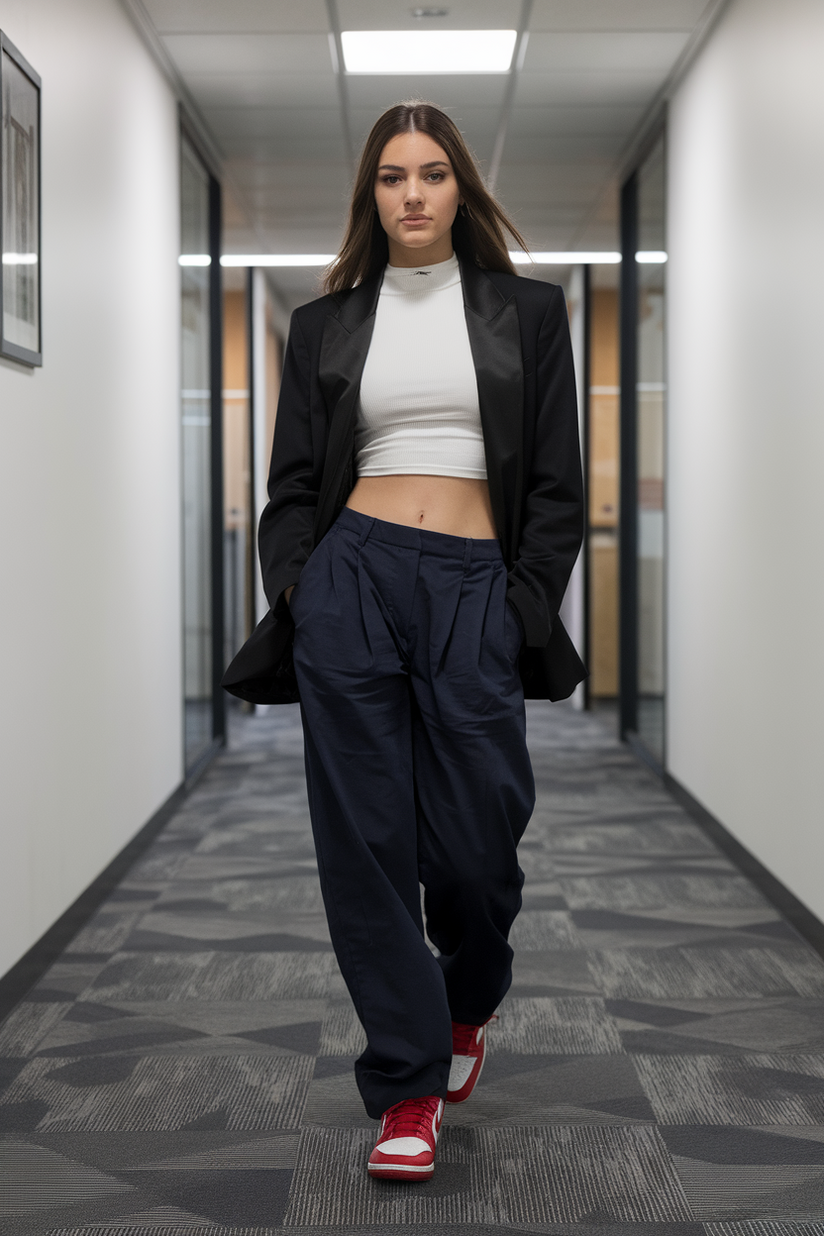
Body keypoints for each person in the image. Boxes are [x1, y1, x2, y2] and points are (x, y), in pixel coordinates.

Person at [223, 101, 585, 1182]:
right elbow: (291, 487)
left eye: (431, 174)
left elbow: (557, 486)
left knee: (476, 844)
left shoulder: (527, 312)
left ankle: (464, 1000)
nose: (412, 194)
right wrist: (302, 584)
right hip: (352, 585)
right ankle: (404, 1088)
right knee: (367, 844)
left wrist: (520, 601)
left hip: (475, 585)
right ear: (369, 194)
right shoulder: (325, 322)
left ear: (459, 188)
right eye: (391, 176)